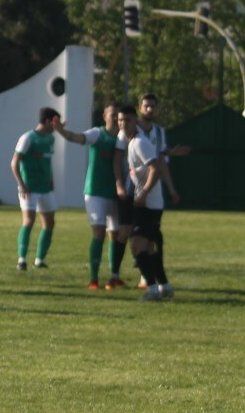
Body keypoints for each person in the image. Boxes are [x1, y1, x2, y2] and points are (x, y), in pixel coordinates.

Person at [54, 103, 127, 289]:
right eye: (112, 114)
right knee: (99, 233)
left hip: (116, 193)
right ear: (104, 116)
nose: (115, 118)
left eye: (118, 115)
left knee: (116, 234)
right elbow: (77, 138)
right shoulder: (97, 134)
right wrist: (62, 131)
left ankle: (114, 276)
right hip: (95, 192)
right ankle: (94, 279)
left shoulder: (123, 137)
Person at [133, 93, 190, 293]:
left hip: (152, 193)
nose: (149, 109)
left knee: (147, 239)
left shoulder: (159, 132)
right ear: (139, 108)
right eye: (146, 106)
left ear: (157, 109)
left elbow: (161, 163)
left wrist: (171, 188)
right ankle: (151, 281)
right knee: (134, 237)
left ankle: (152, 282)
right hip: (133, 191)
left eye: (152, 106)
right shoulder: (132, 131)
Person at [120, 105, 171, 300]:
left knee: (136, 245)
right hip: (148, 203)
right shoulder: (131, 142)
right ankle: (164, 286)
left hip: (149, 204)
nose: (123, 124)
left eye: (127, 120)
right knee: (149, 248)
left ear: (136, 121)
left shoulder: (140, 143)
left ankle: (151, 289)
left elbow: (155, 168)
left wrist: (143, 194)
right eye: (120, 120)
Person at [9, 108, 62, 270]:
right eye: (55, 122)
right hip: (29, 187)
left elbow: (48, 162)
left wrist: (51, 179)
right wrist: (22, 184)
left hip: (45, 188)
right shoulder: (28, 138)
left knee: (50, 223)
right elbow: (14, 163)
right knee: (29, 221)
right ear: (48, 121)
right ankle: (22, 260)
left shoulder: (50, 139)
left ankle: (39, 260)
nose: (56, 126)